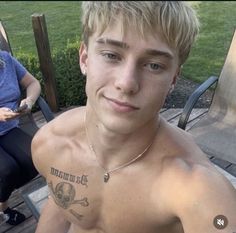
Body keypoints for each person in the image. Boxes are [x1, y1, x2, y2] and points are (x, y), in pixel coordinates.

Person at [32, 2, 236, 233]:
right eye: (111, 55)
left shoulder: (196, 189)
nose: (126, 83)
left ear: (173, 80)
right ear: (85, 58)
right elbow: (60, 204)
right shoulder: (50, 145)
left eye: (154, 65)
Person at [0, 50, 41, 225]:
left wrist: (29, 101)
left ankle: (4, 189)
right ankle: (3, 208)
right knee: (7, 170)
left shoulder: (6, 59)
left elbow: (33, 83)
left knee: (36, 158)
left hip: (9, 128)